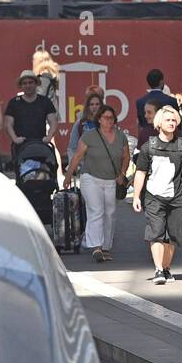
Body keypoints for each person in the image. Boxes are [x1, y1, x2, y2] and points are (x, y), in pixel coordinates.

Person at [131, 105, 182, 285]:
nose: (171, 123)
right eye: (168, 120)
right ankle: (158, 270)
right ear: (159, 123)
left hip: (177, 197)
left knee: (173, 235)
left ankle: (166, 268)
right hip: (154, 196)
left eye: (174, 120)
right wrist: (136, 196)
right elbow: (140, 172)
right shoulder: (149, 147)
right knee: (156, 233)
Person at [63, 103, 129, 262]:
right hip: (90, 177)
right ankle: (96, 247)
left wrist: (122, 173)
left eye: (112, 118)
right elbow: (77, 156)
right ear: (99, 119)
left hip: (112, 179)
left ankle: (106, 246)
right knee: (96, 210)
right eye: (106, 118)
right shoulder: (89, 136)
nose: (109, 121)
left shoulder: (121, 136)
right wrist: (68, 176)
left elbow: (126, 157)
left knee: (110, 212)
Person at [4, 70, 58, 159]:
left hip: (41, 145)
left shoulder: (45, 101)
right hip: (20, 147)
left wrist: (49, 137)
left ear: (36, 84)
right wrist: (15, 139)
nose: (28, 85)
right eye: (24, 83)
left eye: (30, 82)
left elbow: (53, 121)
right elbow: (8, 124)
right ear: (21, 85)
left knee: (43, 171)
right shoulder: (14, 102)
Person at [67, 91, 104, 166]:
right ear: (88, 107)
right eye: (92, 104)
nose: (94, 107)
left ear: (101, 106)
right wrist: (75, 165)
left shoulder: (108, 123)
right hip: (86, 166)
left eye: (97, 104)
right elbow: (72, 147)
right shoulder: (80, 124)